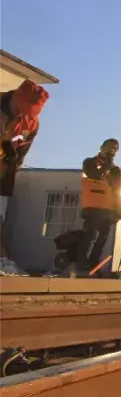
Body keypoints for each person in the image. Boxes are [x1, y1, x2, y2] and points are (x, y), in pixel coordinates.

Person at [0, 80, 49, 270]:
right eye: (24, 109)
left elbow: (23, 149)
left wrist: (15, 160)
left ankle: (2, 259)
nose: (24, 115)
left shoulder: (32, 123)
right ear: (16, 97)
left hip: (3, 175)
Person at [78, 139, 121, 275]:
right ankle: (81, 262)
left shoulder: (115, 170)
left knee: (102, 239)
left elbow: (116, 187)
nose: (112, 151)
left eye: (115, 149)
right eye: (110, 147)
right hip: (92, 206)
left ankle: (93, 264)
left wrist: (119, 210)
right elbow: (93, 174)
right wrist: (106, 166)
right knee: (90, 234)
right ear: (102, 147)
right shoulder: (89, 162)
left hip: (108, 209)